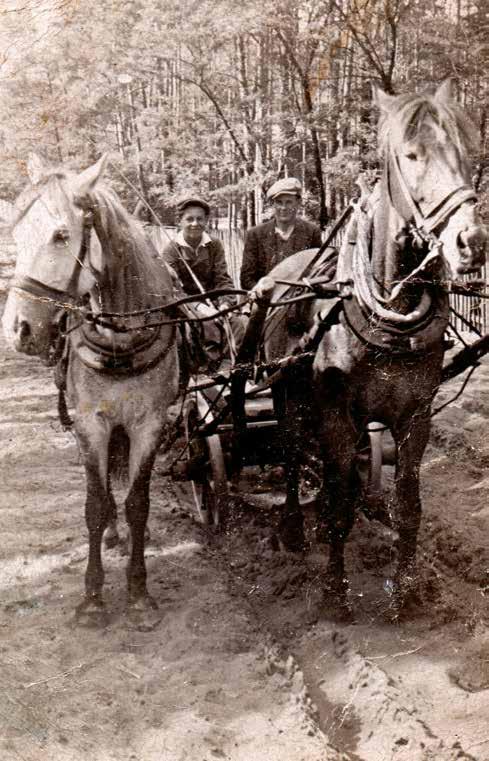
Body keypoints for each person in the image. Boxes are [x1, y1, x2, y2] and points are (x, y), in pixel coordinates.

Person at [160, 197, 238, 368]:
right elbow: (173, 290)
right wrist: (201, 308)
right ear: (180, 222)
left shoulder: (214, 245)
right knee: (207, 322)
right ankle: (208, 369)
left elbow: (222, 278)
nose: (195, 223)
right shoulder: (171, 250)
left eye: (200, 219)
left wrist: (225, 303)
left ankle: (232, 367)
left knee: (238, 322)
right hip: (185, 304)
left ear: (206, 221)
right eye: (189, 219)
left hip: (214, 300)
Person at [240, 177, 322, 291]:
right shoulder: (255, 234)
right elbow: (246, 278)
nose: (283, 208)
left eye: (289, 202)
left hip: (300, 299)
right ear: (273, 204)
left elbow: (318, 271)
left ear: (298, 203)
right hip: (267, 301)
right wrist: (262, 291)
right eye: (279, 202)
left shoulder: (311, 232)